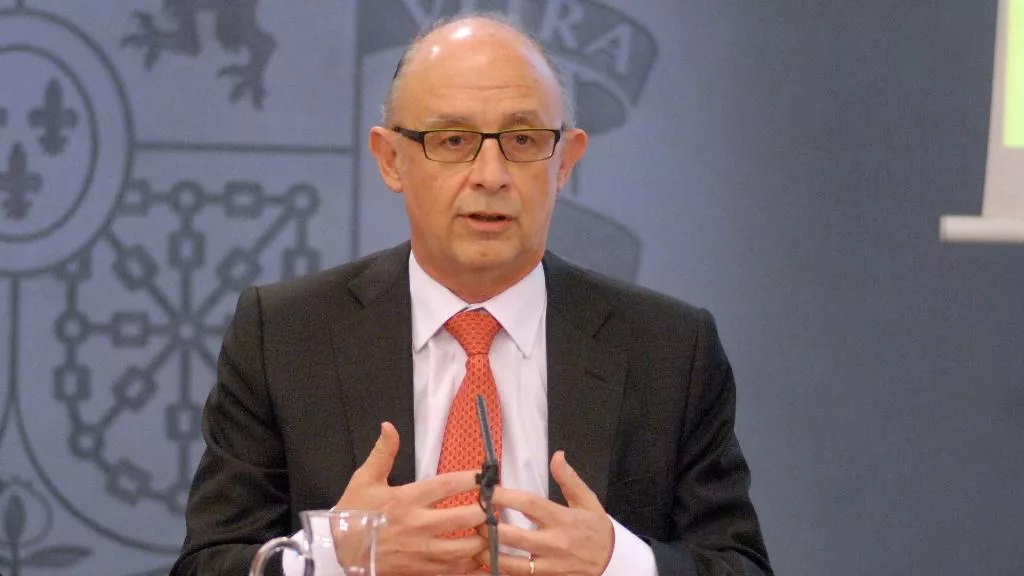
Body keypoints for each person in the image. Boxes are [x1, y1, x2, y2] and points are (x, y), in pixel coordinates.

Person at [171, 13, 772, 576]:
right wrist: (335, 555)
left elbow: (739, 563)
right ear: (391, 159)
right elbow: (206, 563)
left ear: (565, 162)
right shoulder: (284, 336)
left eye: (524, 140)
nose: (490, 175)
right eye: (453, 140)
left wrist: (618, 563)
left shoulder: (669, 351)